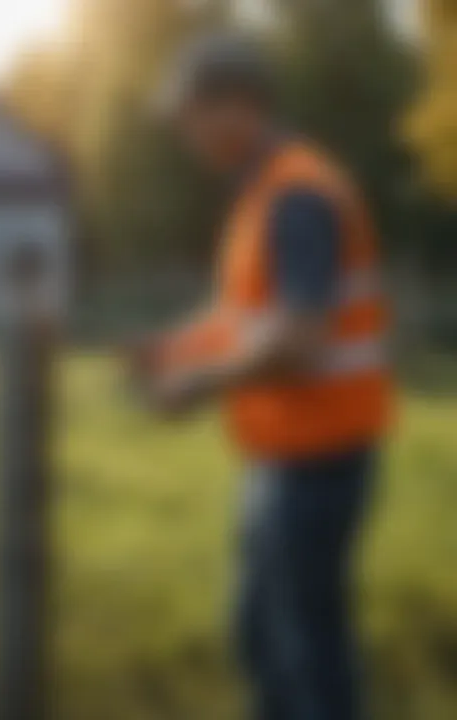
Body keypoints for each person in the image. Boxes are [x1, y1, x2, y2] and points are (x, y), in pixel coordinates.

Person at [126, 32, 394, 720]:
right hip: (284, 456)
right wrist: (172, 348)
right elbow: (242, 319)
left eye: (191, 113)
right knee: (263, 638)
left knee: (305, 654)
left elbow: (300, 337)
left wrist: (198, 385)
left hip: (318, 458)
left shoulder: (298, 196)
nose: (185, 132)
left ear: (238, 108)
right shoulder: (263, 195)